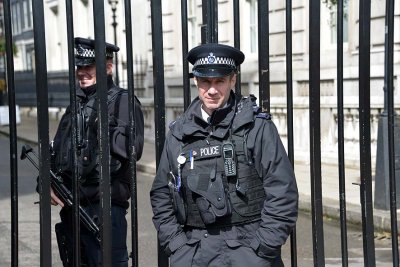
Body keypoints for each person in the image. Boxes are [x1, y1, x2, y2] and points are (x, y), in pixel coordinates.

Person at [150, 43, 298, 267]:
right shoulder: (179, 133)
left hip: (248, 251)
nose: (212, 90)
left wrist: (263, 247)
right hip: (194, 253)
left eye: (219, 81)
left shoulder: (256, 127)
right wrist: (177, 245)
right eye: (205, 82)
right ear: (196, 82)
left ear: (233, 80)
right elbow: (162, 193)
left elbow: (282, 191)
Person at [49, 37, 144, 266]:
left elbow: (133, 149)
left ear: (108, 67)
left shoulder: (122, 101)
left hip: (105, 209)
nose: (82, 72)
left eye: (88, 67)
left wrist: (98, 126)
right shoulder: (76, 103)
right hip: (72, 206)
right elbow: (59, 146)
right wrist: (49, 182)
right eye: (79, 67)